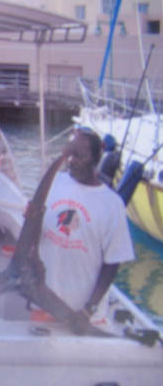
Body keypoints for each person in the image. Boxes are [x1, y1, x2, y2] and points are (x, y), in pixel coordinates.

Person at [38, 127, 134, 331]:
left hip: (81, 316)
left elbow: (113, 263)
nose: (71, 161)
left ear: (95, 159)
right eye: (69, 154)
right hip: (45, 305)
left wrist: (89, 308)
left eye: (78, 156)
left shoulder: (112, 204)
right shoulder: (55, 182)